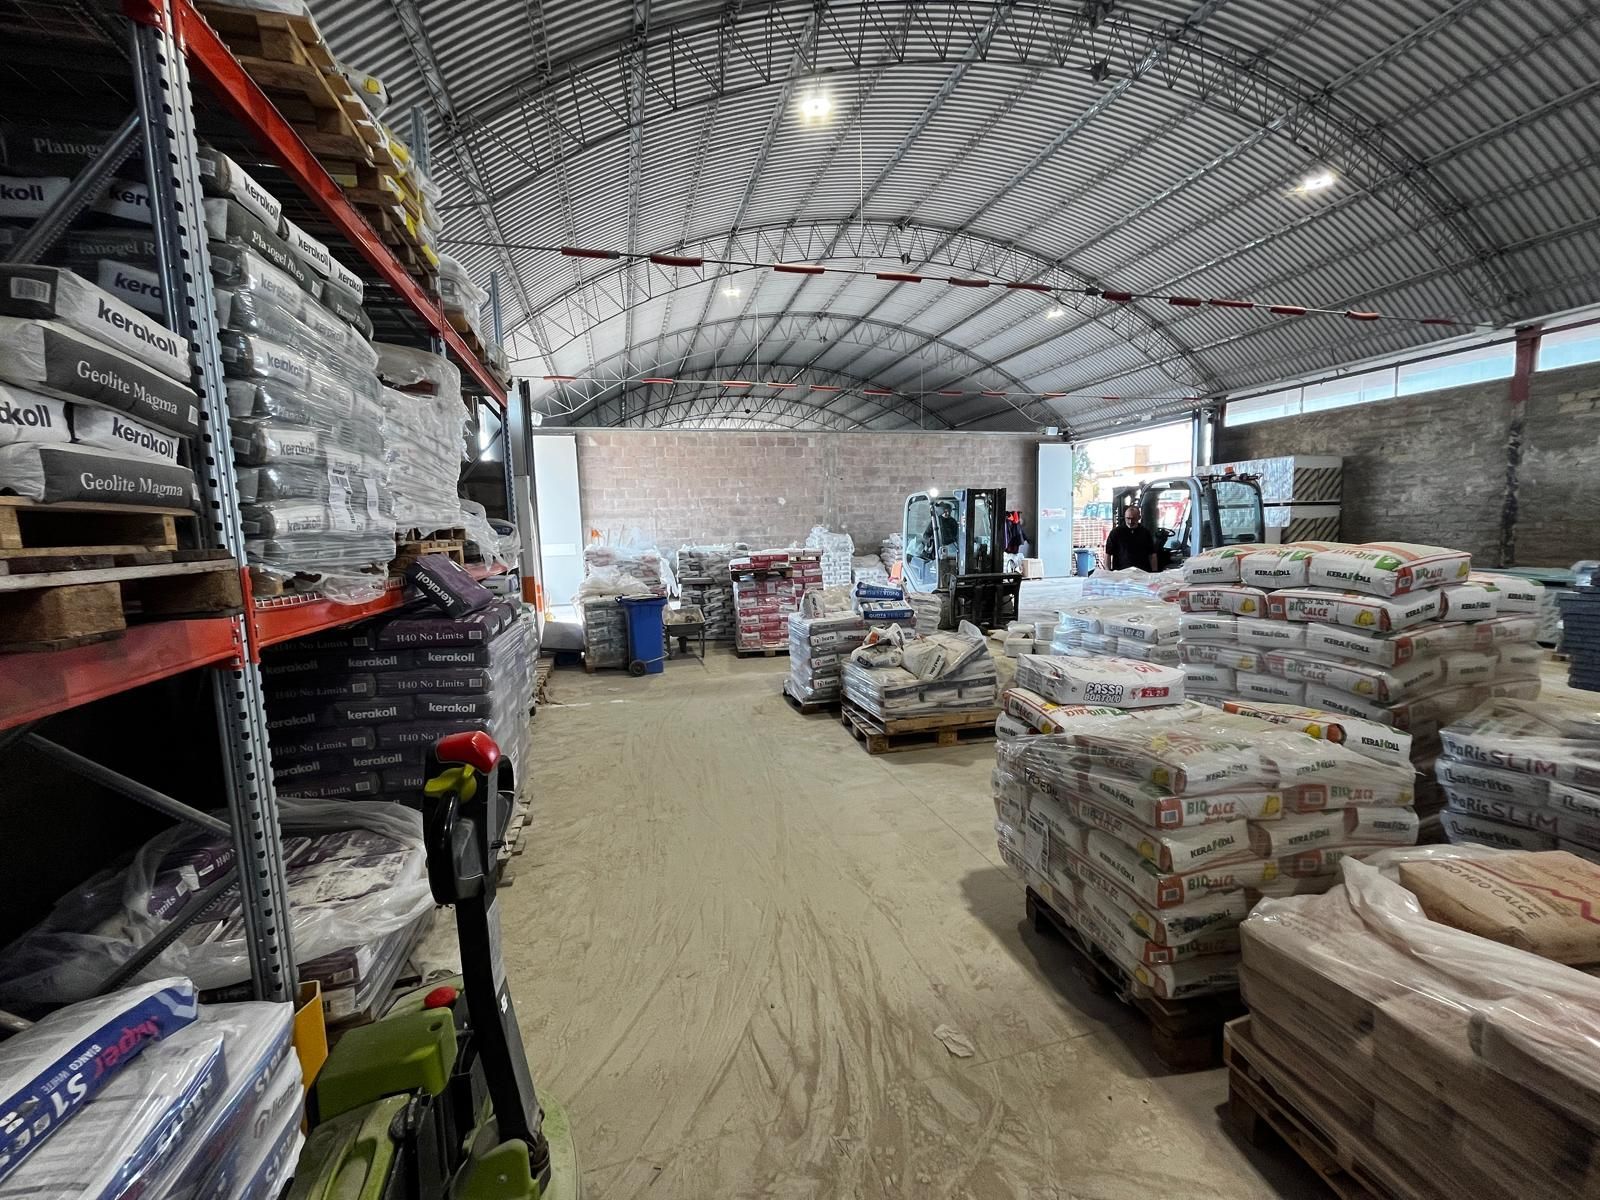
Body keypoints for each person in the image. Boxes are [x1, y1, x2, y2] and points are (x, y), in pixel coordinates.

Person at [1105, 505, 1157, 571]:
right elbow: (1108, 553)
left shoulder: (1145, 533)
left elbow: (1152, 554)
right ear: (1124, 517)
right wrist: (1108, 571)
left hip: (1142, 572)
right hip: (1121, 572)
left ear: (1139, 517)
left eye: (1133, 519)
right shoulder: (1116, 532)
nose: (1130, 522)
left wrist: (1154, 572)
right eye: (1128, 518)